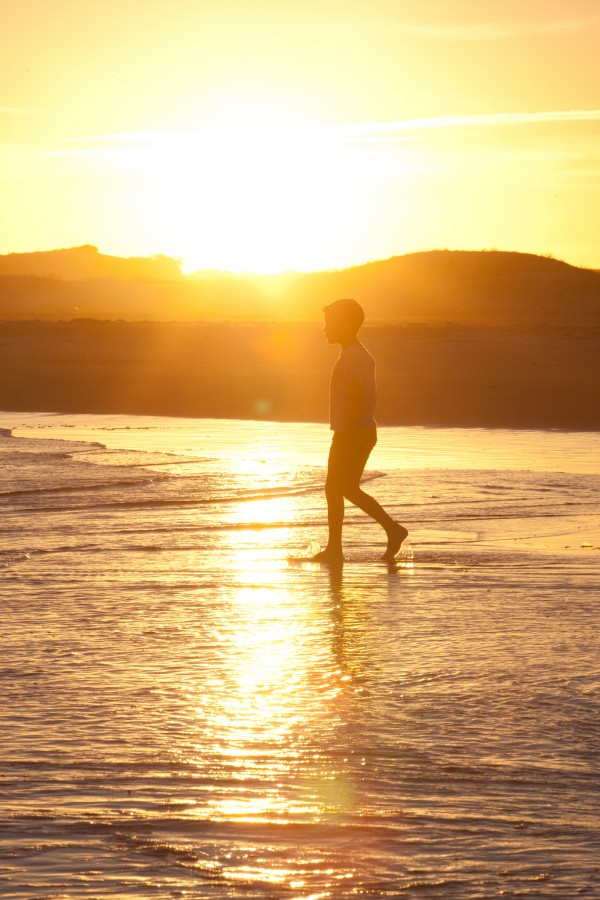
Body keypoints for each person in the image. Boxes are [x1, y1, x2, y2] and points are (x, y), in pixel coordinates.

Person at [312, 298, 408, 563]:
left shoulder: (354, 357)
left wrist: (345, 435)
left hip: (353, 432)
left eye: (329, 323)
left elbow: (355, 398)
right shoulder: (355, 354)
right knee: (339, 488)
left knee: (341, 487)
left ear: (344, 325)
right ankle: (338, 547)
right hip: (357, 430)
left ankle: (389, 530)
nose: (324, 329)